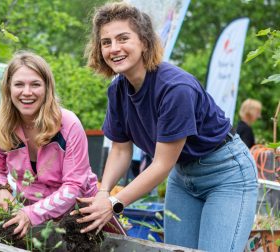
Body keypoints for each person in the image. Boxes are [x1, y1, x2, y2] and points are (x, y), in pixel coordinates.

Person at [75, 2, 258, 251]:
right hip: (183, 177)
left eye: (123, 38)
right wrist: (103, 192)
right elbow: (120, 150)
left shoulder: (175, 89)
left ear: (145, 42)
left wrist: (115, 203)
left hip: (226, 174)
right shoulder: (117, 90)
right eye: (106, 42)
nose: (114, 48)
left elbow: (161, 163)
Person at [0, 51, 98, 238]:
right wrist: (2, 190)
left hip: (80, 216)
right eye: (19, 84)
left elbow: (74, 185)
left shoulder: (69, 125)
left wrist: (31, 214)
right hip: (30, 216)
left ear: (47, 88)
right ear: (8, 89)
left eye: (35, 84)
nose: (26, 92)